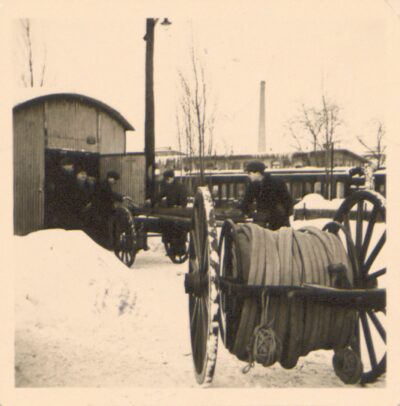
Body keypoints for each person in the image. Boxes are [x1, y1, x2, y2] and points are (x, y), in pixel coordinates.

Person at [240, 161, 293, 230]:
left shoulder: (276, 183)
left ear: (257, 173)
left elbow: (287, 201)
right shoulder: (253, 185)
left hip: (278, 220)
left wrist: (283, 214)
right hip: (263, 219)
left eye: (249, 173)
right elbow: (246, 202)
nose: (249, 176)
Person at [155, 169, 188, 257]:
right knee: (171, 230)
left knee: (177, 230)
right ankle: (173, 250)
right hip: (171, 212)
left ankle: (179, 250)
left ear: (170, 178)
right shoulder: (169, 186)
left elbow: (184, 199)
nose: (166, 181)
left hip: (179, 212)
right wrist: (152, 200)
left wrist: (180, 206)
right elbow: (161, 195)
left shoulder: (180, 186)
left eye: (167, 179)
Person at [90, 171, 124, 246]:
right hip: (100, 210)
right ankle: (103, 244)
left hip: (102, 210)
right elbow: (109, 194)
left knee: (104, 227)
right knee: (103, 227)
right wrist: (121, 198)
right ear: (110, 178)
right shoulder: (103, 184)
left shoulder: (104, 184)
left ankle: (104, 243)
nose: (114, 182)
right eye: (114, 180)